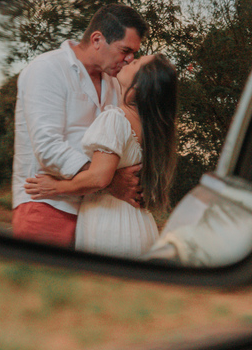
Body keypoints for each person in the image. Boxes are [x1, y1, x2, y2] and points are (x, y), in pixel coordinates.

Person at [11, 4, 147, 247]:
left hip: (95, 213)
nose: (129, 60)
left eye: (133, 54)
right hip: (47, 204)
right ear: (97, 39)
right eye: (125, 50)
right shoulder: (48, 69)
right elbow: (48, 148)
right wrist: (107, 179)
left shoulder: (116, 84)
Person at [25, 53, 178, 258]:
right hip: (140, 225)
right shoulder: (151, 130)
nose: (128, 61)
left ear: (141, 85)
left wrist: (56, 187)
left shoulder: (115, 118)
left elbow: (99, 177)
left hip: (111, 226)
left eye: (135, 63)